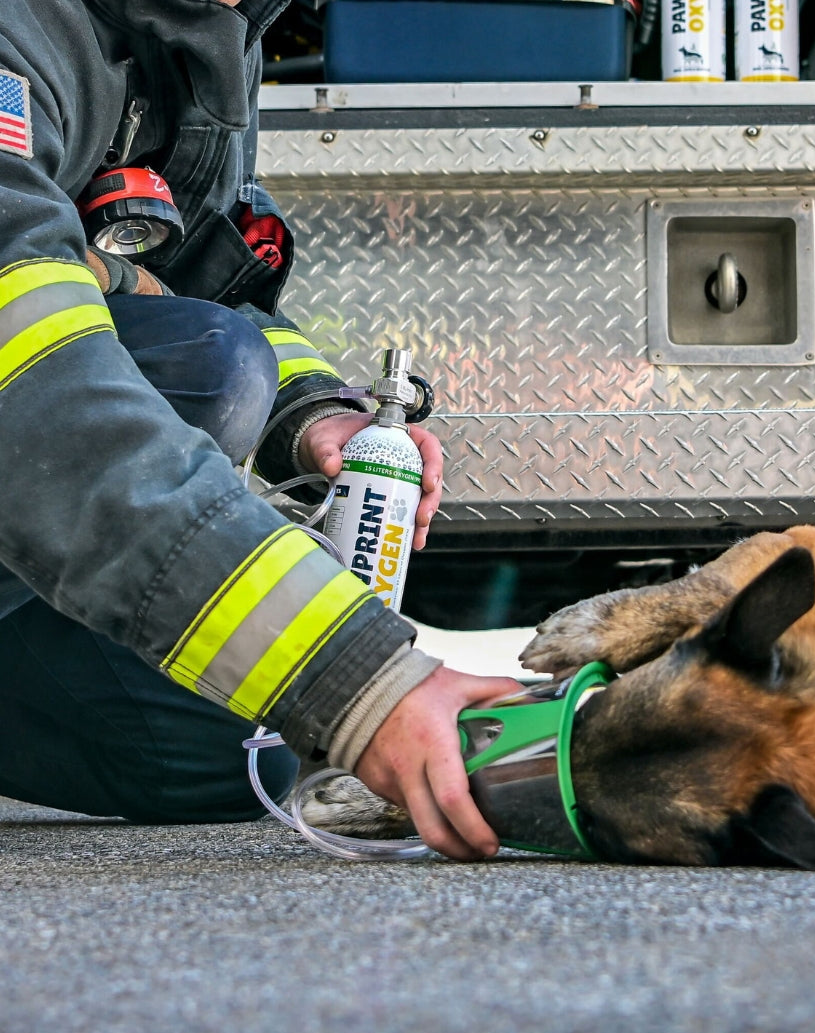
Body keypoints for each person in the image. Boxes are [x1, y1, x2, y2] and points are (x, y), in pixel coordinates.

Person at [0, 0, 521, 860]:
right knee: (214, 369)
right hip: (32, 431)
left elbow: (209, 275)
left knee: (226, 754)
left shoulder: (206, 27)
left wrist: (313, 415)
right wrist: (361, 683)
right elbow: (42, 400)